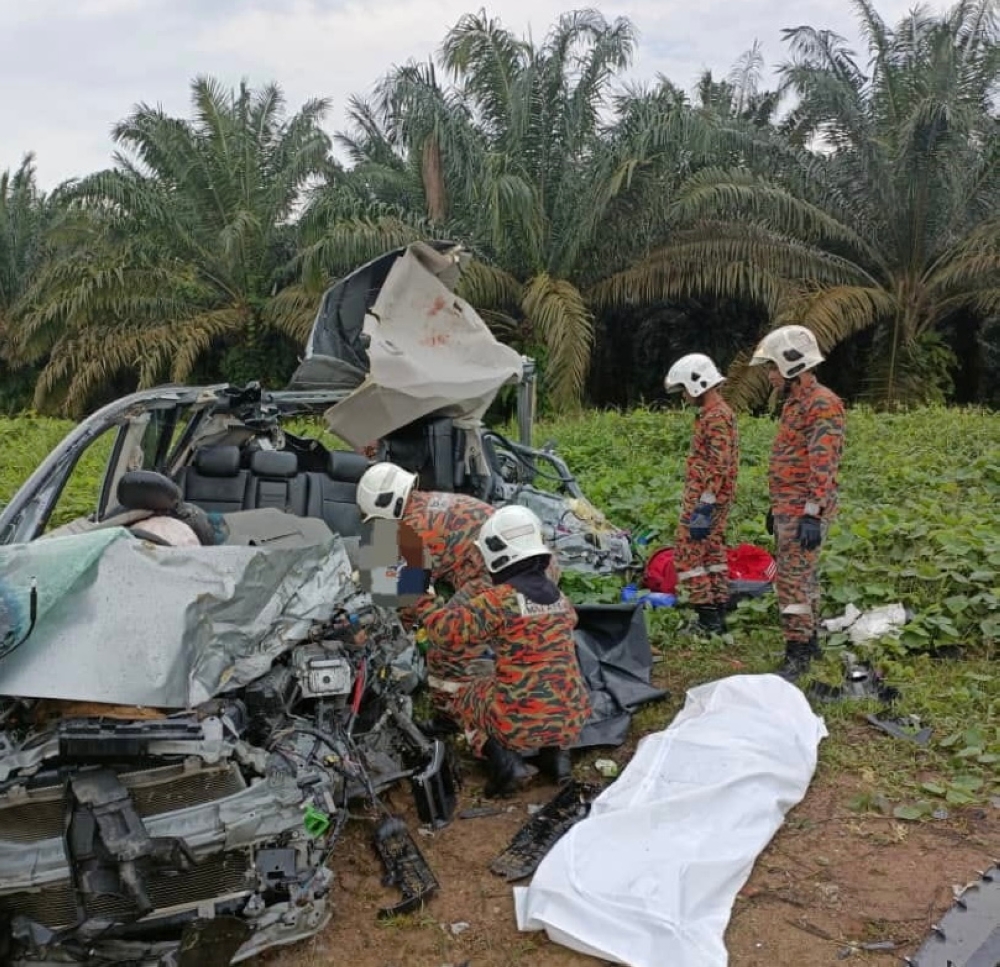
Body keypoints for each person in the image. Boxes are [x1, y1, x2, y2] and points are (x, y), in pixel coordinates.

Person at [421, 505, 591, 797]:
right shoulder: (559, 598)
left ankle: (506, 765)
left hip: (520, 722)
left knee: (464, 694)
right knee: (543, 683)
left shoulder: (499, 601)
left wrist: (421, 593)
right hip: (572, 717)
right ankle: (557, 760)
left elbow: (442, 631)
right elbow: (561, 625)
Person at [749, 325, 846, 681]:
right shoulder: (794, 403)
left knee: (791, 581)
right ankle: (812, 640)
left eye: (772, 368)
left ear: (792, 366)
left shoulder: (822, 404)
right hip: (790, 507)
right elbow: (793, 458)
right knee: (805, 578)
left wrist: (811, 513)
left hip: (805, 509)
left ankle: (798, 653)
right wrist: (777, 509)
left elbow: (823, 464)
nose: (770, 376)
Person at [356, 461, 560, 626]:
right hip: (543, 565)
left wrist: (401, 629)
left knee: (447, 629)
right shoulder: (427, 501)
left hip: (507, 585)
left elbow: (411, 598)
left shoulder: (416, 530)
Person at [664, 353, 740, 634]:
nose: (683, 396)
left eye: (684, 389)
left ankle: (707, 619)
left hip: (706, 499)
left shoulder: (717, 417)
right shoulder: (715, 414)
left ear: (698, 384)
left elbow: (719, 463)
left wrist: (705, 504)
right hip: (711, 497)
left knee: (686, 556)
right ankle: (718, 612)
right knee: (711, 552)